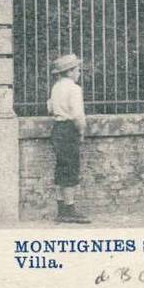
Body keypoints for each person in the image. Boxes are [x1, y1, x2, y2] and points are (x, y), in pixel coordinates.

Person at [46, 54, 91, 224]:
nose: (79, 73)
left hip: (57, 128)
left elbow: (50, 107)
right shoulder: (74, 88)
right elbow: (78, 115)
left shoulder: (56, 87)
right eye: (77, 70)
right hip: (68, 129)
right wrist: (81, 131)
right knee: (71, 168)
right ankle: (69, 210)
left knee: (61, 167)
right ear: (70, 72)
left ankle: (61, 209)